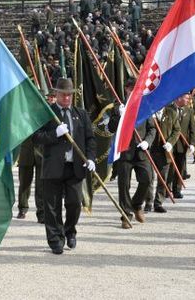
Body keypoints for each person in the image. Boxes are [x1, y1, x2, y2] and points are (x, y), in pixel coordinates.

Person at [33, 78, 96, 255]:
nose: (66, 98)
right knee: (52, 207)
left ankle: (70, 231)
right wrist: (55, 133)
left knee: (74, 203)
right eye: (63, 95)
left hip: (74, 167)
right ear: (56, 94)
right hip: (53, 167)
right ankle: (55, 239)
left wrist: (91, 158)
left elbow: (90, 139)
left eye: (69, 95)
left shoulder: (80, 114)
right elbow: (36, 138)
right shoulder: (47, 113)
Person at [108, 78, 156, 229]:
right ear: (125, 89)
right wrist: (119, 116)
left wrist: (147, 141)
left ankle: (136, 204)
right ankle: (126, 214)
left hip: (141, 151)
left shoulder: (145, 105)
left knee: (147, 179)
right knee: (124, 185)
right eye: (129, 88)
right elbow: (111, 128)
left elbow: (152, 128)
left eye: (134, 88)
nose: (132, 91)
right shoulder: (118, 107)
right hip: (124, 151)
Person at [144, 105, 180, 213]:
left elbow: (177, 129)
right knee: (149, 177)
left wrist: (170, 143)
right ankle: (148, 202)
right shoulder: (148, 112)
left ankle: (158, 203)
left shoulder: (171, 113)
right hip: (150, 149)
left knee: (162, 178)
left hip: (164, 151)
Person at [16, 134, 44, 223]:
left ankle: (42, 212)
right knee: (24, 182)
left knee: (41, 184)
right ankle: (22, 208)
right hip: (26, 148)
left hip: (42, 149)